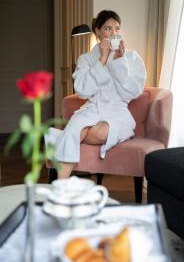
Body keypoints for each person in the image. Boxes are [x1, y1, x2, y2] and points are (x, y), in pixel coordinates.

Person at [45, 10, 147, 179]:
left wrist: (120, 62)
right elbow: (82, 92)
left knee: (90, 132)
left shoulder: (131, 57)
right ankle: (61, 187)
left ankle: (61, 137)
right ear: (97, 31)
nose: (114, 33)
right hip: (92, 109)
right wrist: (102, 60)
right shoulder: (86, 59)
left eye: (117, 29)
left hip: (117, 112)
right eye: (108, 28)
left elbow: (134, 91)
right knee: (77, 126)